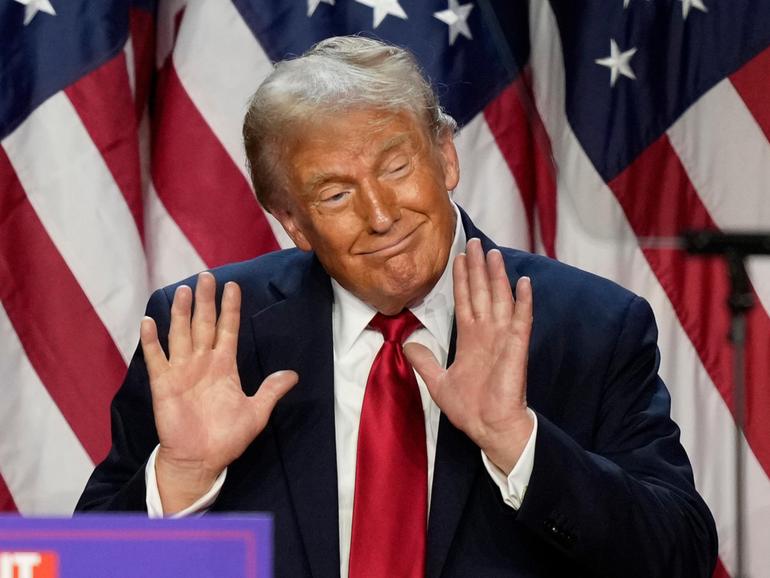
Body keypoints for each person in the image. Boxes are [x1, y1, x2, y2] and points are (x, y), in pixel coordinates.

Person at [76, 36, 718, 577]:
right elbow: (84, 565)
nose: (381, 216)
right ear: (291, 222)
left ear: (444, 154)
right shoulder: (210, 331)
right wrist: (183, 479)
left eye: (396, 166)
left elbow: (682, 556)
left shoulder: (588, 325)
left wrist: (516, 441)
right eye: (333, 195)